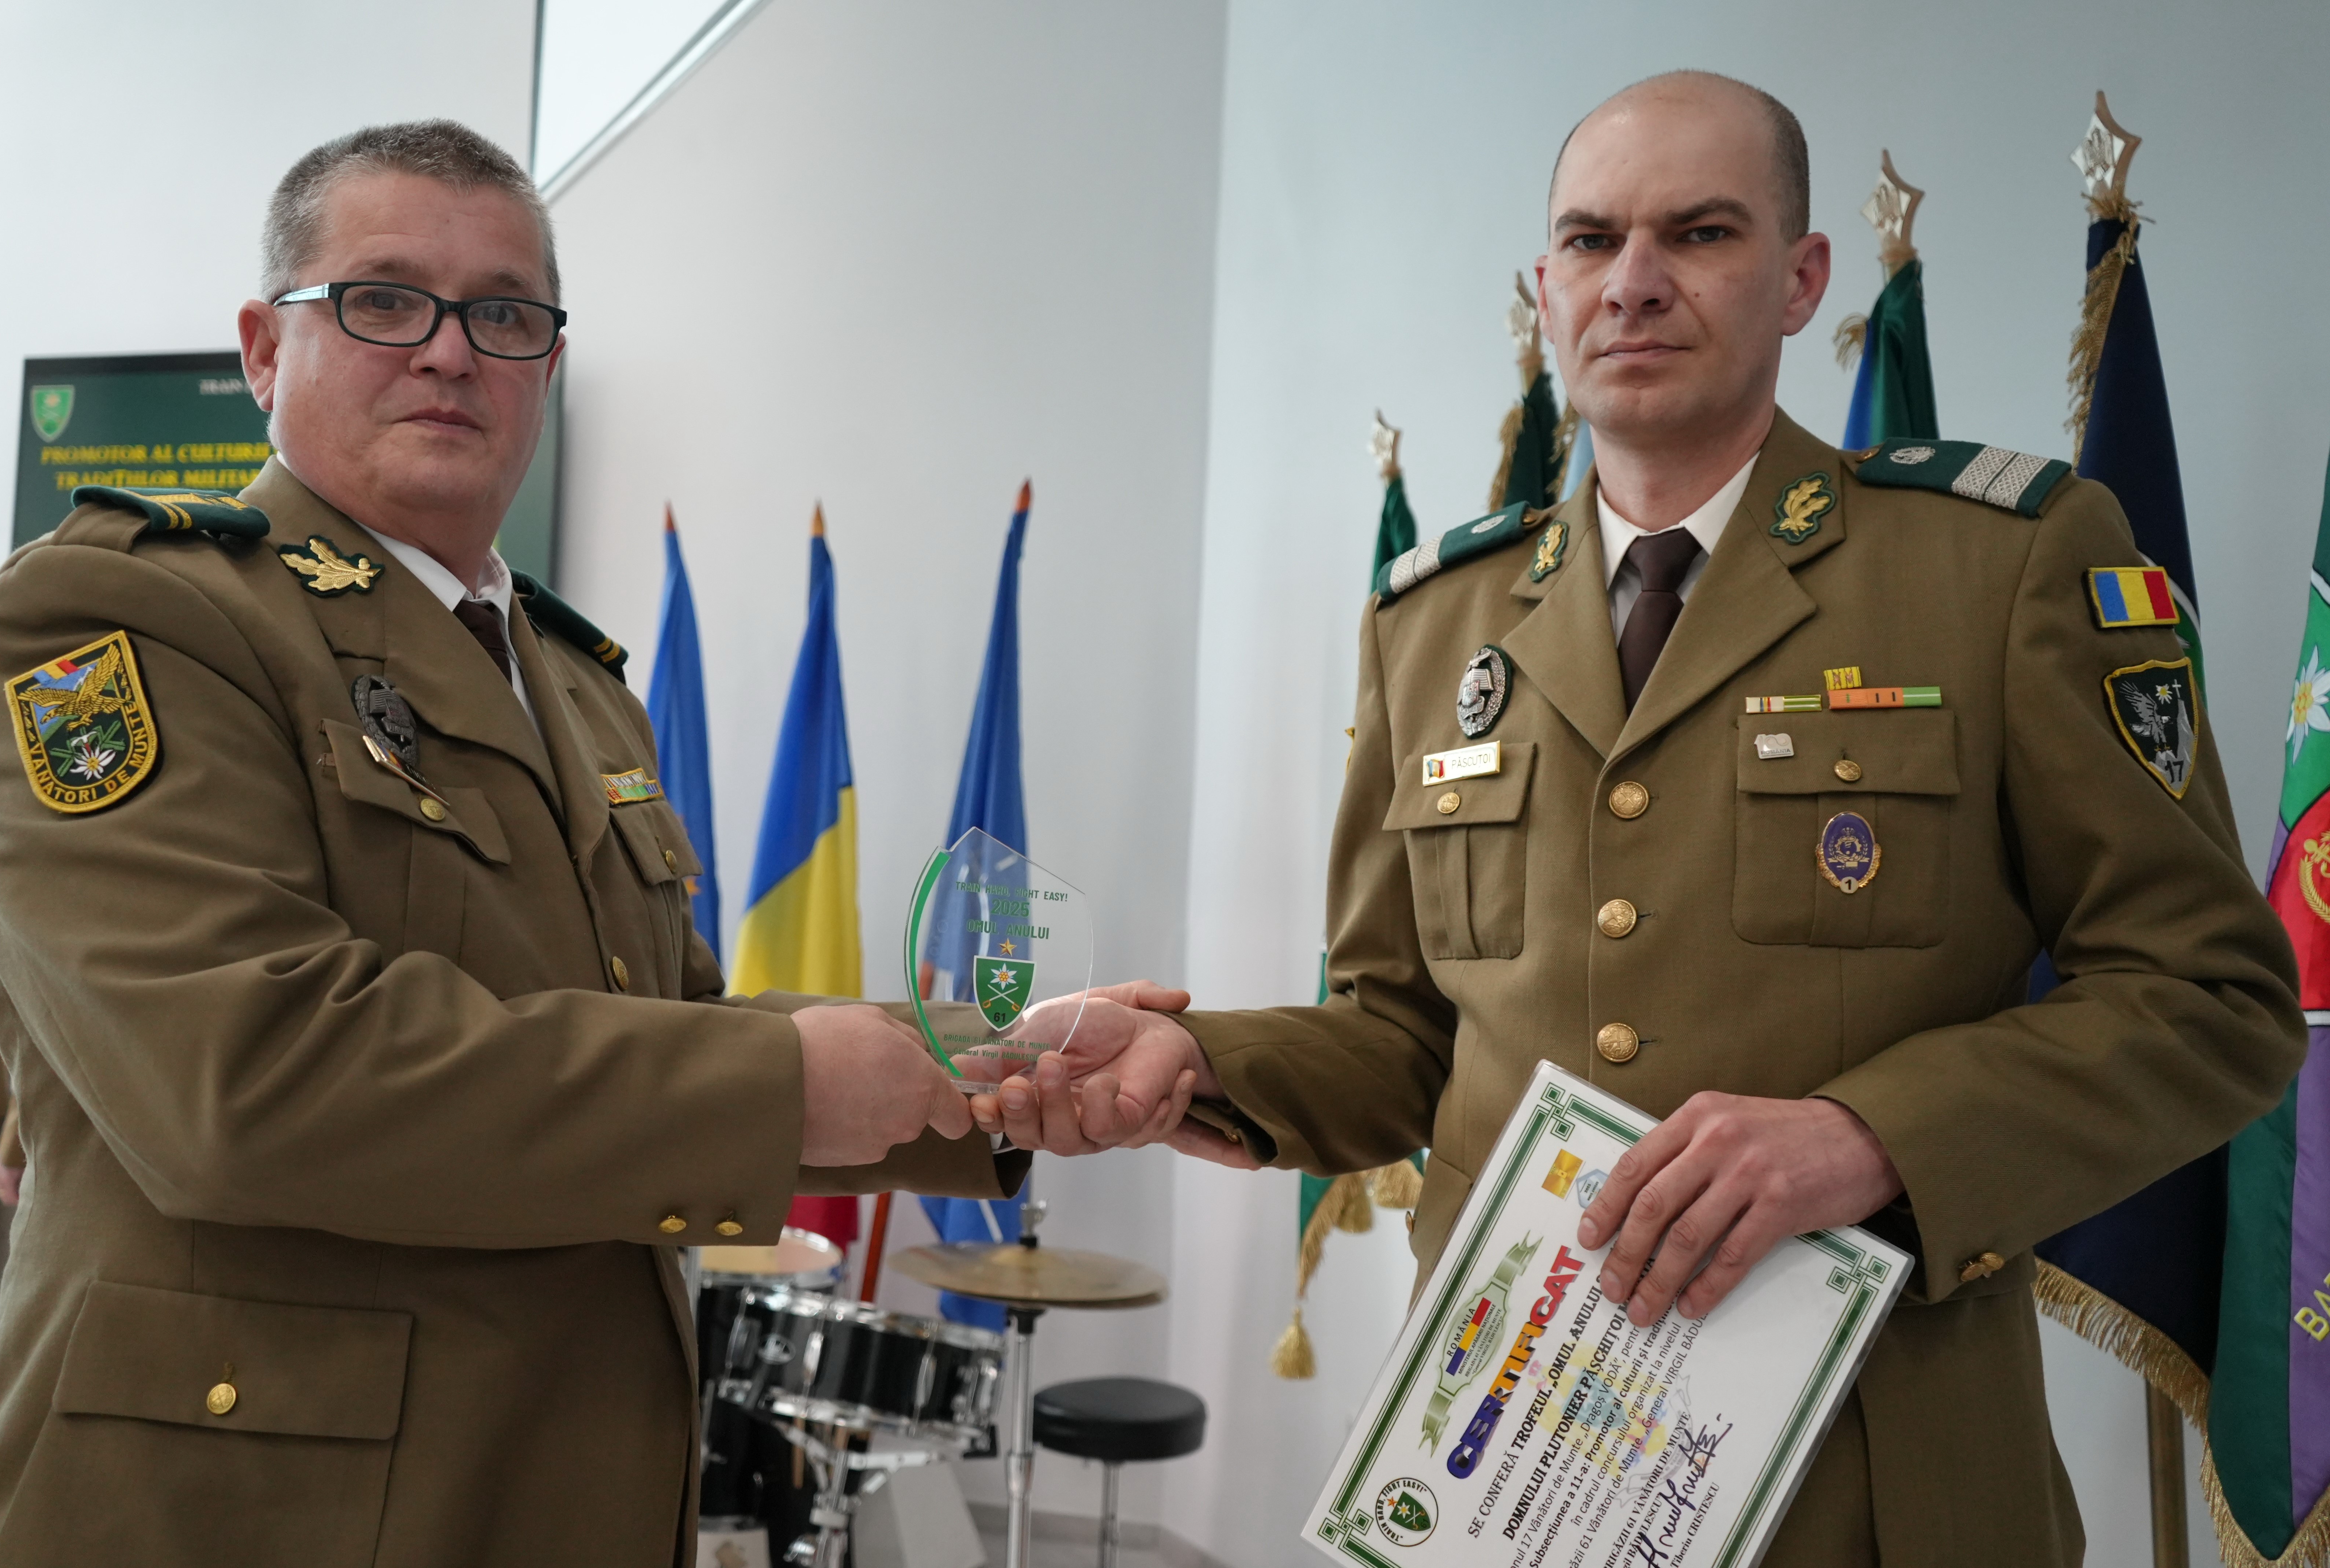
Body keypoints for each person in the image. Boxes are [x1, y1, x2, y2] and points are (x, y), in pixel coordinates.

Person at [976, 72, 2305, 1565]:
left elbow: (2214, 1001)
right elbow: (1406, 1034)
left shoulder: (1999, 566)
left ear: (1801, 278)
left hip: (1872, 1487)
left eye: (1702, 232)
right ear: (1547, 285)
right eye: (1592, 240)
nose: (1635, 282)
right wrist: (1203, 1062)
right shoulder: (1435, 622)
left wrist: (1869, 1139)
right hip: (1510, 1465)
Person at [0, 121, 1005, 1564]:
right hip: (255, 1511)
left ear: (548, 366)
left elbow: (670, 1029)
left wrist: (1006, 1075)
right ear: (265, 351)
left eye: (506, 316)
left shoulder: (578, 682)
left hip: (562, 1484)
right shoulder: (126, 612)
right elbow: (250, 1079)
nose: (451, 353)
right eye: (384, 301)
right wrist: (785, 1088)